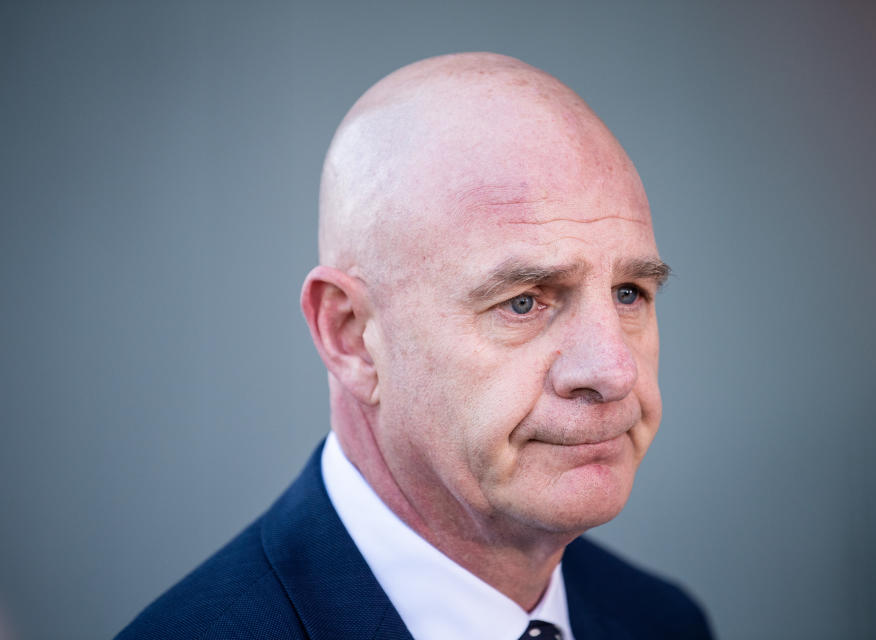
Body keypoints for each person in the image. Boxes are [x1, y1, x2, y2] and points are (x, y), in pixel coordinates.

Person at [117, 52, 712, 640]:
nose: (613, 370)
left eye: (630, 293)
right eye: (524, 301)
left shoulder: (663, 622)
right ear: (350, 335)